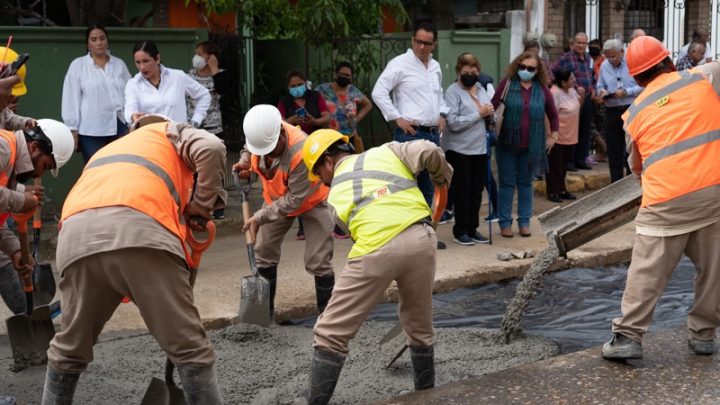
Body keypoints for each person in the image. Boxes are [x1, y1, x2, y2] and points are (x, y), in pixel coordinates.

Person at [42, 114, 227, 404]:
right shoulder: (169, 133)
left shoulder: (110, 151)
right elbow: (212, 148)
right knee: (190, 349)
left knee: (69, 348)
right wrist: (201, 207)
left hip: (75, 236)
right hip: (138, 226)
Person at [300, 129, 452, 404]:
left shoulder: (333, 199)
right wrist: (441, 179)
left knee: (329, 333)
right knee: (419, 325)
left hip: (375, 251)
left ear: (328, 162)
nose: (322, 182)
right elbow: (429, 151)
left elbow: (355, 231)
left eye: (319, 174)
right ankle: (426, 397)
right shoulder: (389, 151)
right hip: (422, 239)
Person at [601, 35, 720, 360]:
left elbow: (637, 168)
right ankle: (704, 335)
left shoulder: (635, 113)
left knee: (646, 269)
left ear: (636, 77)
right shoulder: (704, 77)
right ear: (669, 60)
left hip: (665, 201)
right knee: (713, 268)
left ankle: (628, 336)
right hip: (713, 192)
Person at [233, 105, 334, 317]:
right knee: (263, 253)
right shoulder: (261, 132)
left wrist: (259, 217)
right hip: (275, 198)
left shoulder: (301, 150)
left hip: (311, 200)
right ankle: (263, 315)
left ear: (280, 133)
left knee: (318, 259)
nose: (266, 154)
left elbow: (295, 199)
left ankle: (328, 317)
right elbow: (248, 147)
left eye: (269, 149)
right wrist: (244, 161)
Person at [372, 22, 449, 249]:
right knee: (404, 186)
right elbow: (379, 91)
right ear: (412, 40)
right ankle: (401, 236)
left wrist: (443, 113)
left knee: (428, 187)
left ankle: (423, 237)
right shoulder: (400, 64)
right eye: (418, 41)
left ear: (434, 44)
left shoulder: (435, 66)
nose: (421, 47)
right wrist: (397, 117)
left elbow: (439, 95)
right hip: (410, 134)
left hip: (433, 134)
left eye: (426, 43)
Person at [491, 51, 559, 238]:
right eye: (522, 67)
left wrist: (553, 135)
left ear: (537, 71)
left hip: (531, 146)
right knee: (506, 184)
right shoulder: (507, 84)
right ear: (517, 66)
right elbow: (493, 107)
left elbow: (553, 115)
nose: (525, 71)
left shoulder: (542, 89)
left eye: (530, 68)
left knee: (525, 184)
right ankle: (505, 223)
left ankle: (524, 223)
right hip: (506, 143)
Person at [62, 24, 131, 164]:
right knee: (95, 168)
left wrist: (132, 121)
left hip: (119, 125)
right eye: (93, 39)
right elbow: (71, 99)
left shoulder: (119, 64)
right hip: (91, 129)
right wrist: (72, 129)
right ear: (88, 44)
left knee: (121, 167)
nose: (99, 43)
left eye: (102, 38)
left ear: (107, 40)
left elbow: (131, 92)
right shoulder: (78, 65)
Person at [442, 52, 492, 245]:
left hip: (479, 148)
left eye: (474, 71)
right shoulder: (452, 92)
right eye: (466, 72)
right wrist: (479, 114)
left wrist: (490, 116)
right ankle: (460, 230)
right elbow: (453, 123)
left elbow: (488, 112)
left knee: (476, 191)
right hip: (459, 149)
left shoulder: (480, 89)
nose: (470, 75)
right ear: (458, 72)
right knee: (462, 191)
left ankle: (473, 228)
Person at [187, 40, 230, 220]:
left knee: (215, 167)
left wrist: (214, 69)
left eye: (201, 53)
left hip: (214, 127)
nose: (197, 57)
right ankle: (196, 202)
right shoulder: (189, 75)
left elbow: (224, 91)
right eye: (196, 52)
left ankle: (217, 203)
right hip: (193, 126)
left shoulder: (220, 75)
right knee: (195, 167)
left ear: (210, 56)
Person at [124, 40, 210, 127]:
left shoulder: (177, 76)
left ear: (157, 58)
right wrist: (132, 116)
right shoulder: (133, 84)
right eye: (138, 62)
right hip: (150, 137)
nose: (142, 67)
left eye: (146, 61)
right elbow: (130, 108)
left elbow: (204, 95)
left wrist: (196, 121)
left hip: (178, 136)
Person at [594, 38, 642, 183]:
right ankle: (615, 183)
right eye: (607, 56)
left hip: (630, 109)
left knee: (631, 148)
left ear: (622, 52)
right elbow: (599, 85)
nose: (610, 59)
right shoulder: (604, 66)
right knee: (613, 149)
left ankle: (631, 182)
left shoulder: (633, 62)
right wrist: (602, 92)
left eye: (613, 56)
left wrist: (626, 92)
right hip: (612, 110)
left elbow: (643, 86)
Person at [552, 32, 594, 171]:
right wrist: (563, 87)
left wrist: (592, 88)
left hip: (587, 98)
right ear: (573, 44)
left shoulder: (588, 58)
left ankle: (581, 159)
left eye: (584, 43)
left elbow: (590, 75)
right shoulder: (566, 58)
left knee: (585, 130)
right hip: (571, 99)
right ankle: (569, 162)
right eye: (579, 42)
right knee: (571, 131)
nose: (581, 45)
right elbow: (553, 71)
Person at [316, 61, 373, 152]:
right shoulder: (323, 89)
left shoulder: (353, 91)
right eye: (342, 74)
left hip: (350, 138)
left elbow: (368, 105)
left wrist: (357, 118)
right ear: (336, 74)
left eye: (348, 75)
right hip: (328, 138)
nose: (345, 77)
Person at [547, 69, 581, 203]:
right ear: (563, 82)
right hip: (558, 134)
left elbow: (576, 107)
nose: (574, 81)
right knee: (555, 164)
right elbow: (550, 115)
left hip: (571, 134)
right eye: (571, 79)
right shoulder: (554, 93)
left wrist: (582, 97)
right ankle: (552, 191)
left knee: (564, 164)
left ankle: (562, 189)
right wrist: (551, 135)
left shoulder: (572, 90)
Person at [277, 69, 331, 135]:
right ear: (288, 87)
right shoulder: (284, 102)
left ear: (305, 83)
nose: (297, 88)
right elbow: (279, 125)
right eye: (293, 86)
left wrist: (315, 121)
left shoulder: (316, 96)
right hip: (294, 141)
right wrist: (292, 120)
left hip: (317, 139)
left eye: (300, 84)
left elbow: (327, 117)